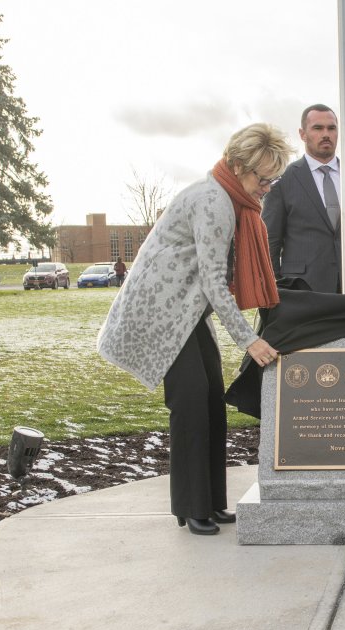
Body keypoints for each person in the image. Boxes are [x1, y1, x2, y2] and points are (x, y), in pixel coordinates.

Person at [97, 123, 291, 535]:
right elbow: (212, 280)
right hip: (162, 313)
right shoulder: (213, 202)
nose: (267, 187)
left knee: (209, 404)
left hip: (186, 310)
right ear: (238, 167)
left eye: (273, 178)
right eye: (263, 177)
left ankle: (210, 503)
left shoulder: (227, 197)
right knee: (189, 406)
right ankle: (191, 507)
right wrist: (249, 339)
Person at [262, 104, 342, 293]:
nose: (326, 134)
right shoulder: (283, 179)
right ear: (302, 134)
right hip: (302, 289)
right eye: (317, 128)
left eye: (331, 128)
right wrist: (277, 287)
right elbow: (270, 239)